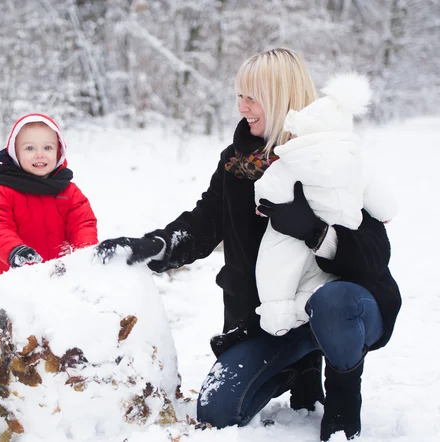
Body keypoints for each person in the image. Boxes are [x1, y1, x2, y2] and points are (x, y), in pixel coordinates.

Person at [94, 48, 401, 441]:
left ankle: (342, 397)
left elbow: (376, 254)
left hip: (344, 305)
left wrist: (314, 231)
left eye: (251, 96)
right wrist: (155, 246)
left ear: (280, 96)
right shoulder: (237, 163)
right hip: (269, 316)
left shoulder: (332, 155)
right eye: (239, 95)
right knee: (217, 410)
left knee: (333, 304)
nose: (242, 106)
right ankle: (300, 362)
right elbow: (204, 222)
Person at [254, 72, 397, 337]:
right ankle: (303, 310)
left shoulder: (289, 160)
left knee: (278, 263)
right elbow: (386, 207)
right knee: (322, 280)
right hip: (342, 230)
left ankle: (277, 314)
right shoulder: (358, 162)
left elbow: (268, 192)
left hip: (298, 240)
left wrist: (266, 203)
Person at [0, 113, 98, 278]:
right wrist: (14, 250)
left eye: (48, 148)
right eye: (30, 148)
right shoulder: (3, 193)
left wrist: (84, 252)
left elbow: (83, 224)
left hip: (59, 277)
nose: (40, 154)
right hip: (12, 278)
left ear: (59, 152)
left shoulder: (69, 192)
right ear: (15, 153)